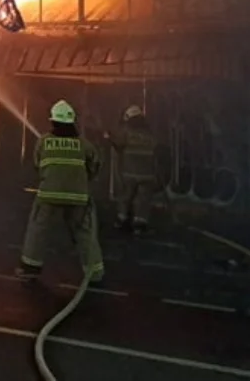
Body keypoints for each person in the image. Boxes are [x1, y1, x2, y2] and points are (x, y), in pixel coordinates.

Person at [16, 99, 105, 284]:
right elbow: (95, 165)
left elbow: (37, 165)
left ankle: (30, 268)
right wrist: (83, 180)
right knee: (85, 233)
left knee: (37, 229)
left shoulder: (43, 141)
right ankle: (94, 273)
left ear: (53, 121)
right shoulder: (84, 144)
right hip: (78, 197)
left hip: (49, 194)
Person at [107, 105, 159, 234]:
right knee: (143, 199)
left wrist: (109, 137)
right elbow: (157, 147)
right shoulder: (149, 132)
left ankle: (122, 219)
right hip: (147, 173)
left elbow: (118, 143)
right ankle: (139, 224)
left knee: (126, 196)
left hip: (129, 172)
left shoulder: (126, 130)